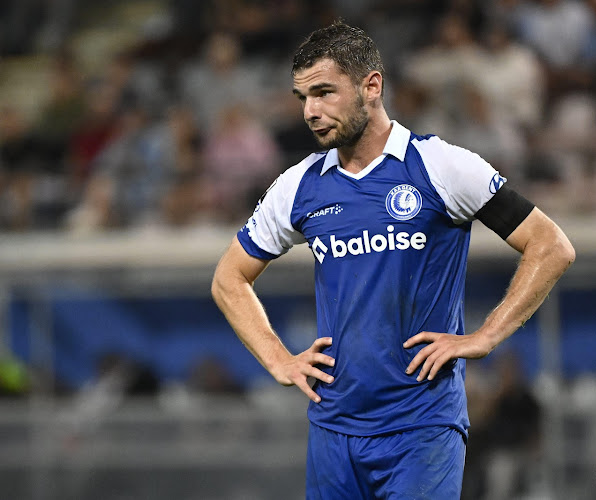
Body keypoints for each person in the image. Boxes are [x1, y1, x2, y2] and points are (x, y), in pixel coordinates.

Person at [211, 21, 575, 500]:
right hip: (333, 432)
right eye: (303, 98)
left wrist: (486, 335)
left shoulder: (440, 166)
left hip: (422, 429)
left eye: (323, 92)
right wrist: (278, 359)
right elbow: (228, 278)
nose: (311, 112)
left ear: (372, 86)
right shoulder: (299, 185)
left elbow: (551, 246)